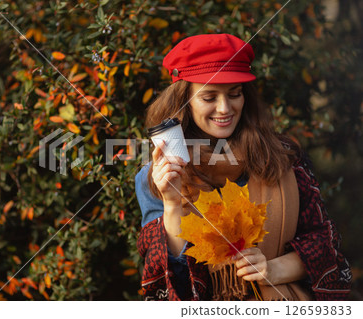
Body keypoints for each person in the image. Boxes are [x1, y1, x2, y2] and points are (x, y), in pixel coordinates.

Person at [135, 34, 352, 301]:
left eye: (234, 94)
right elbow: (169, 280)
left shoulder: (284, 158)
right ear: (184, 102)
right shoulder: (156, 175)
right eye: (209, 97)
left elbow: (326, 245)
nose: (224, 108)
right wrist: (171, 204)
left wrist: (272, 269)